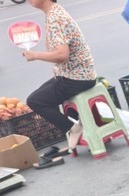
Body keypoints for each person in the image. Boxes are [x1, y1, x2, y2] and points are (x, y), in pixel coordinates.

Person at [23, 0, 97, 160]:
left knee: (35, 101)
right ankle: (72, 125)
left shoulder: (55, 17)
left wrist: (35, 55)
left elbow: (61, 55)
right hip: (74, 74)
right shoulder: (53, 12)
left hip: (76, 77)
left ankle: (73, 128)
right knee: (41, 94)